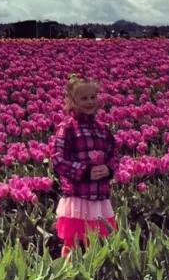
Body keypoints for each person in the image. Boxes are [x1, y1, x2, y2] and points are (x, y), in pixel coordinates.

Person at [50, 75, 119, 256]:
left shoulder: (103, 129)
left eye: (92, 97)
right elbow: (57, 159)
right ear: (72, 101)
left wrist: (109, 169)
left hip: (99, 195)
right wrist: (84, 172)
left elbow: (114, 154)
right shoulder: (67, 128)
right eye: (84, 98)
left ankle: (93, 273)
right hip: (77, 195)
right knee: (71, 241)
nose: (89, 102)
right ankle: (68, 273)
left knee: (95, 242)